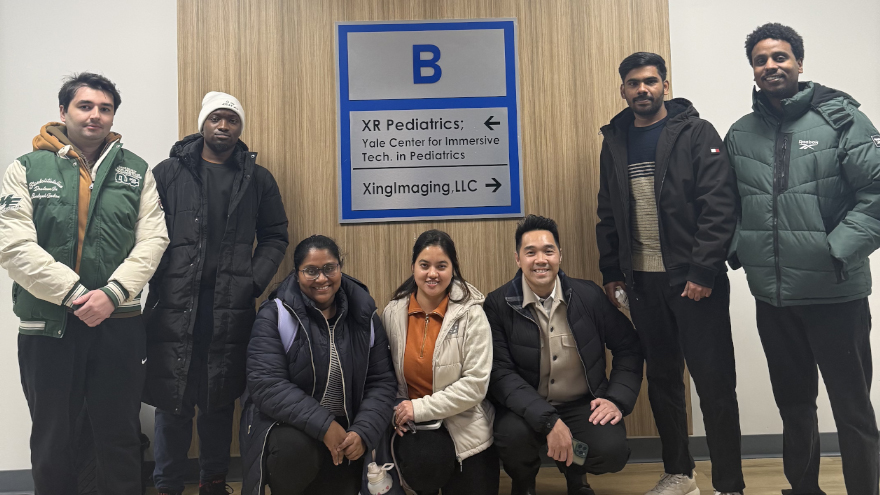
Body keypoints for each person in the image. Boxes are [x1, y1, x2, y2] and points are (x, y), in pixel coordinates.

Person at [726, 22, 880, 495]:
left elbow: (876, 193)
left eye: (780, 57)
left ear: (798, 62)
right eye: (761, 59)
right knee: (794, 407)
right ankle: (803, 488)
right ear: (752, 69)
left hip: (835, 294)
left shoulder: (842, 120)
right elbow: (727, 205)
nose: (771, 65)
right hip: (774, 300)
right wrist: (739, 249)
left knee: (852, 410)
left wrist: (836, 251)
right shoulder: (740, 133)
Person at [0, 72, 169, 494]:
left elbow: (154, 240)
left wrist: (112, 295)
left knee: (120, 434)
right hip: (49, 326)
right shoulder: (26, 168)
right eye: (85, 106)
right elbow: (14, 245)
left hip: (119, 323)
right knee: (53, 437)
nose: (95, 115)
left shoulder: (136, 170)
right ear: (63, 111)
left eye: (105, 108)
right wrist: (76, 295)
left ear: (113, 116)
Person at [595, 52, 743, 495]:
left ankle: (729, 484)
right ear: (623, 90)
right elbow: (608, 211)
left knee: (714, 385)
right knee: (662, 381)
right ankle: (680, 473)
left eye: (651, 81)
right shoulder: (615, 140)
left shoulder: (696, 132)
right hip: (643, 284)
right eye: (634, 83)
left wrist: (703, 270)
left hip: (695, 282)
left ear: (665, 85)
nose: (643, 89)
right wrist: (612, 270)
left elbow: (720, 205)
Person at [143, 91, 289, 495]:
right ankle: (167, 485)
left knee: (219, 400)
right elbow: (146, 232)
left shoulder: (258, 179)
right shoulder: (167, 173)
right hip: (174, 304)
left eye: (232, 120)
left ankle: (213, 482)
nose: (223, 126)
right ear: (203, 123)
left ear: (240, 128)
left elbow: (275, 235)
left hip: (229, 307)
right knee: (171, 400)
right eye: (216, 118)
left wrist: (251, 282)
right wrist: (157, 278)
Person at [486, 215, 643, 495]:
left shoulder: (589, 296)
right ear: (518, 259)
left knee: (610, 452)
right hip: (524, 408)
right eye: (530, 252)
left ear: (560, 255)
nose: (540, 260)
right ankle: (524, 480)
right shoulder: (498, 304)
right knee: (512, 438)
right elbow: (500, 374)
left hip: (580, 405)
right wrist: (549, 421)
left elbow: (628, 346)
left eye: (548, 251)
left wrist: (616, 400)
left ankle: (574, 470)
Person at [240, 235, 397, 495]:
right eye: (311, 271)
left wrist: (363, 431)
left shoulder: (363, 313)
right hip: (290, 429)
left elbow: (381, 381)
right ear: (297, 273)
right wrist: (324, 426)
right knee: (294, 451)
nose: (322, 278)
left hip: (345, 430)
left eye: (329, 268)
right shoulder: (276, 314)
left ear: (340, 268)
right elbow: (266, 384)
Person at [381, 229, 499, 495]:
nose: (432, 274)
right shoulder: (392, 313)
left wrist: (418, 407)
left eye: (441, 266)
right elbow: (382, 376)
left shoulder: (472, 314)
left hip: (464, 420)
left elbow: (475, 385)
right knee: (425, 468)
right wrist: (396, 411)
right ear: (413, 267)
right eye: (424, 265)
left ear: (453, 269)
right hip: (414, 425)